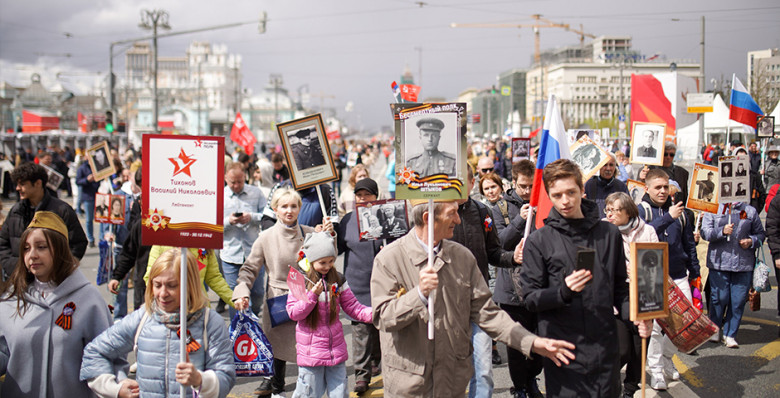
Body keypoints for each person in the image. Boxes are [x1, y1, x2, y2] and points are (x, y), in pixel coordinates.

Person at [370, 199, 577, 396]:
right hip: (411, 386)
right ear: (428, 218)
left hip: (452, 383)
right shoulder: (389, 259)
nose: (458, 220)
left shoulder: (462, 257)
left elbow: (488, 314)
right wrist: (419, 295)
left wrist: (531, 342)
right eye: (451, 214)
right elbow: (384, 317)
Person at [520, 159, 650, 398]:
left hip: (604, 347)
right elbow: (530, 298)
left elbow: (620, 290)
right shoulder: (539, 241)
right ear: (549, 196)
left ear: (583, 189)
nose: (565, 200)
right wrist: (563, 290)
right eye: (557, 195)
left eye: (571, 192)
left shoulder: (608, 233)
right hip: (563, 350)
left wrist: (636, 317)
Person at [81, 249, 236, 397]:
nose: (162, 294)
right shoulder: (143, 318)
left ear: (190, 285)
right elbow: (95, 352)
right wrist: (115, 387)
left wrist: (201, 380)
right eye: (157, 285)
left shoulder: (210, 322)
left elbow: (226, 375)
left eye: (172, 285)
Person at [0, 211, 122, 397]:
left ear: (59, 250)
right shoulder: (12, 297)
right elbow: (5, 351)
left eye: (41, 247)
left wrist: (117, 387)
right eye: (26, 248)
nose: (32, 255)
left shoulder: (88, 299)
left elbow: (107, 355)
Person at [233, 187, 332, 397]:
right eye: (284, 206)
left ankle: (306, 390)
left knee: (307, 347)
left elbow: (328, 260)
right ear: (275, 209)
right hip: (278, 299)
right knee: (277, 348)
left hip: (306, 298)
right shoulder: (265, 237)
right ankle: (277, 389)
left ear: (300, 208)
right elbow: (249, 269)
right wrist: (242, 291)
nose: (289, 210)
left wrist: (327, 235)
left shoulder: (310, 233)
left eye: (294, 206)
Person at [454, 170, 521, 398]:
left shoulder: (483, 211)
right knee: (450, 373)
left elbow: (493, 251)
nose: (459, 185)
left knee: (483, 372)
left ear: (473, 183)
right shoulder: (438, 213)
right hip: (448, 304)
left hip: (479, 301)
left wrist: (513, 258)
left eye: (464, 181)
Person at [287, 231, 373, 397]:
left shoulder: (338, 279)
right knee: (309, 394)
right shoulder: (301, 280)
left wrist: (375, 313)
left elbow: (353, 307)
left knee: (340, 393)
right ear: (311, 260)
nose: (328, 266)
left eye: (331, 261)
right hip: (311, 354)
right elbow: (294, 313)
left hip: (336, 351)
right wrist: (312, 295)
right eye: (322, 262)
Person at [637, 169, 700, 390]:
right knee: (654, 326)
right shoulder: (642, 210)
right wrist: (667, 218)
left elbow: (689, 245)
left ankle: (665, 357)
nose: (663, 191)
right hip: (650, 274)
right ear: (647, 188)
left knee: (685, 322)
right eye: (658, 187)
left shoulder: (681, 213)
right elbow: (642, 236)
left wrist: (695, 271)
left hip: (678, 272)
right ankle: (655, 370)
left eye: (666, 187)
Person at [491, 160, 544, 398]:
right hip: (511, 288)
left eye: (531, 186)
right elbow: (499, 243)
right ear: (513, 183)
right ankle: (519, 386)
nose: (526, 191)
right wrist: (520, 219)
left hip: (540, 286)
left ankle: (532, 379)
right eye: (523, 186)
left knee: (539, 339)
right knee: (515, 342)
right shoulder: (500, 208)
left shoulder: (543, 204)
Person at [337, 178, 389, 394]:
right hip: (357, 285)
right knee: (360, 332)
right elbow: (336, 250)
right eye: (359, 195)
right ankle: (361, 376)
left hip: (383, 283)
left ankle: (376, 361)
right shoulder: (347, 221)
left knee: (380, 329)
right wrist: (327, 233)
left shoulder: (386, 217)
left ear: (376, 196)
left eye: (368, 194)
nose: (363, 198)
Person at [603, 192, 658, 397]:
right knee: (622, 349)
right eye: (607, 209)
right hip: (617, 294)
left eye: (615, 210)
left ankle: (631, 388)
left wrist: (637, 269)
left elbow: (656, 262)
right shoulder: (604, 230)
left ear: (628, 211)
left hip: (644, 291)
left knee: (639, 347)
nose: (610, 214)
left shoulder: (648, 231)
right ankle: (608, 381)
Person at [0, 162, 88, 280]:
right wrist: (16, 267)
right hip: (20, 281)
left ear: (38, 183)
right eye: (17, 184)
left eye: (22, 184)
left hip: (53, 282)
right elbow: (2, 244)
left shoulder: (61, 210)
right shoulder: (15, 211)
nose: (17, 188)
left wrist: (56, 269)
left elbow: (78, 244)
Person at [701, 202, 765, 348]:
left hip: (743, 263)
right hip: (719, 262)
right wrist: (721, 231)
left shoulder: (749, 210)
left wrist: (751, 241)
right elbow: (705, 232)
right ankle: (715, 329)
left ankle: (730, 334)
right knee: (719, 297)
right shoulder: (713, 209)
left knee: (738, 300)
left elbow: (761, 234)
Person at [223, 164, 266, 318]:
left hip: (253, 254)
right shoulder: (220, 196)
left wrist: (252, 217)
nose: (236, 186)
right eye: (232, 182)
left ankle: (253, 317)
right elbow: (212, 225)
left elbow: (268, 216)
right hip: (230, 254)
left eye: (239, 182)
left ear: (245, 178)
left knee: (258, 292)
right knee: (234, 297)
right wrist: (229, 221)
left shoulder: (256, 193)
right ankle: (239, 329)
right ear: (225, 178)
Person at [76, 157, 101, 247]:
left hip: (99, 195)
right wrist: (87, 180)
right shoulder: (82, 168)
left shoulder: (98, 166)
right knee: (89, 219)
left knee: (102, 218)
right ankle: (90, 239)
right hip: (88, 197)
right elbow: (77, 181)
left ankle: (101, 238)